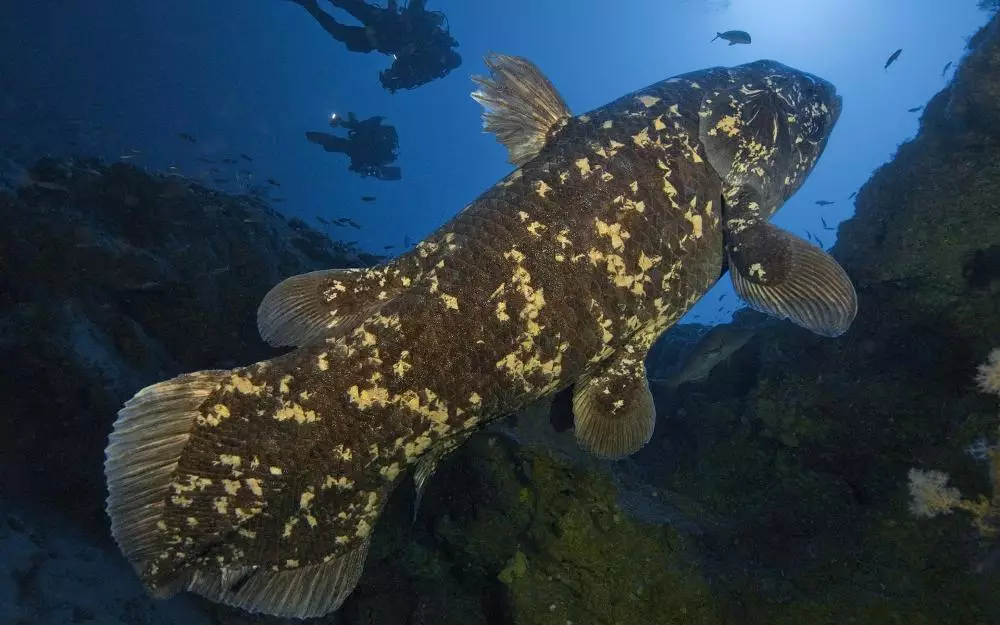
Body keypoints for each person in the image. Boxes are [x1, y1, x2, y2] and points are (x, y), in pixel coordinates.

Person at [285, 0, 461, 92]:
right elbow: (416, 9)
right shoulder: (432, 40)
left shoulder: (428, 67)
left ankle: (309, 5)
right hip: (385, 27)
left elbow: (407, 76)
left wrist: (392, 80)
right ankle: (310, 6)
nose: (440, 55)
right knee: (345, 14)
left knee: (340, 28)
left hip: (381, 36)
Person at [305, 112, 401, 180]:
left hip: (365, 152)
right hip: (364, 151)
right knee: (342, 144)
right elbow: (355, 126)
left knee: (341, 144)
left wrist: (361, 168)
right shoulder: (369, 132)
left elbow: (355, 126)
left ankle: (318, 138)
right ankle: (319, 138)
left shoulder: (371, 133)